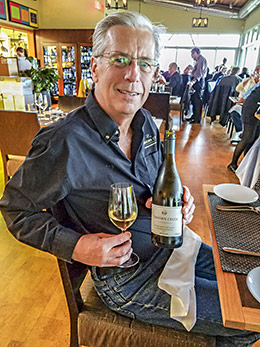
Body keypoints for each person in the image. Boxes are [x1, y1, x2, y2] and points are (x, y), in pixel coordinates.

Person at [0, 11, 259, 347]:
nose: (134, 74)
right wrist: (77, 247)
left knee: (249, 290)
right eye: (120, 59)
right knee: (248, 319)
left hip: (171, 247)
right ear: (95, 67)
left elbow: (156, 187)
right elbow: (15, 209)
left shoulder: (147, 123)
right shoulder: (63, 142)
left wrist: (177, 202)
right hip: (128, 278)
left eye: (146, 62)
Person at [227, 84, 260, 173]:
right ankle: (233, 164)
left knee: (253, 138)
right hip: (251, 110)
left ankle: (246, 163)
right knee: (247, 138)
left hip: (255, 109)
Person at [229, 65, 260, 135]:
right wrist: (248, 80)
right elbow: (237, 89)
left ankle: (245, 133)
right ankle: (241, 131)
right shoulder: (248, 80)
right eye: (257, 69)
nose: (258, 72)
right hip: (242, 104)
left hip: (254, 107)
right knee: (234, 112)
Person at [187, 47, 208, 123]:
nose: (192, 56)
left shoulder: (201, 60)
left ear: (196, 53)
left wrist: (193, 82)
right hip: (196, 82)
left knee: (197, 101)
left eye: (192, 54)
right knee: (194, 100)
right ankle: (194, 116)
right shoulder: (198, 60)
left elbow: (198, 73)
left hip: (198, 82)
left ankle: (197, 119)